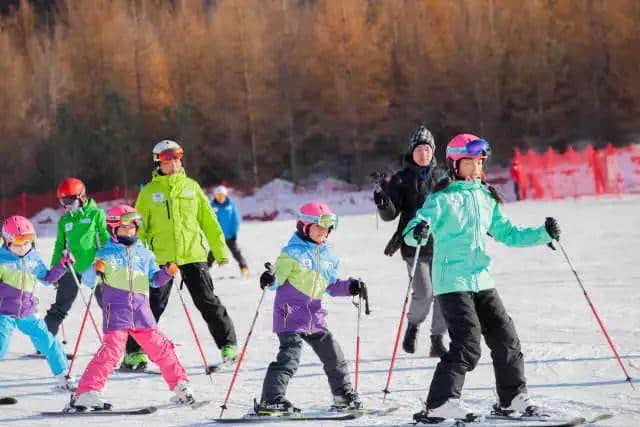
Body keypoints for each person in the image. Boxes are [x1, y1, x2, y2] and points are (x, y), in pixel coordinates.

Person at [402, 134, 561, 422]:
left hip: (482, 280)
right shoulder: (442, 199)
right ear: (454, 164)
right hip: (452, 283)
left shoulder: (486, 197)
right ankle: (440, 404)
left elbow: (508, 233)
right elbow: (414, 228)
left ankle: (511, 398)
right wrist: (417, 232)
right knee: (467, 344)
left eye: (480, 162)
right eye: (470, 162)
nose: (477, 167)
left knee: (506, 339)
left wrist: (543, 233)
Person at [123, 139, 236, 371]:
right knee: (152, 305)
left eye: (177, 157)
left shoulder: (192, 188)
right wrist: (137, 257)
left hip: (193, 254)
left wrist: (220, 250)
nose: (173, 162)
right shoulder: (149, 193)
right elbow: (140, 228)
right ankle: (134, 352)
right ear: (158, 162)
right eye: (167, 158)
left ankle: (228, 347)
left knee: (208, 302)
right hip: (161, 258)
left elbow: (209, 221)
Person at [70, 205, 194, 410]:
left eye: (132, 228)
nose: (129, 232)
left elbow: (154, 280)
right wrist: (96, 269)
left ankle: (181, 386)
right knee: (112, 351)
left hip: (141, 311)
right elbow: (88, 281)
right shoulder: (105, 253)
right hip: (117, 310)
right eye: (123, 228)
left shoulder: (145, 254)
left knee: (161, 347)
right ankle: (87, 393)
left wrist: (167, 272)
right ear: (113, 229)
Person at [256, 202, 367, 414]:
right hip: (289, 314)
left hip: (314, 316)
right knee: (290, 357)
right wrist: (270, 278)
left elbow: (332, 286)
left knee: (333, 355)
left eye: (327, 229)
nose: (323, 233)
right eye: (318, 227)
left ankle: (342, 395)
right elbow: (277, 280)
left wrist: (350, 286)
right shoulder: (291, 254)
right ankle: (271, 399)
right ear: (304, 226)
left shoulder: (328, 258)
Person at [373, 125, 448, 357]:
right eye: (418, 150)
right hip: (413, 246)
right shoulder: (401, 179)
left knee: (444, 294)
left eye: (427, 149)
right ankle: (413, 326)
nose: (423, 154)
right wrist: (384, 202)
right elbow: (390, 215)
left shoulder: (443, 177)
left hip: (442, 244)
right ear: (411, 152)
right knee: (425, 293)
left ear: (433, 151)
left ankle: (437, 339)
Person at [0, 215, 75, 390]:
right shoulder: (2, 261)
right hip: (4, 313)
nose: (23, 247)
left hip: (28, 312)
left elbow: (47, 279)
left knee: (48, 342)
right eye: (18, 243)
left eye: (28, 242)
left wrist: (62, 265)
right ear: (7, 241)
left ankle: (63, 376)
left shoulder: (33, 258)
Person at [44, 177, 109, 338]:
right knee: (61, 305)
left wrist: (106, 261)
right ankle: (45, 342)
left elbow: (106, 239)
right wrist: (55, 271)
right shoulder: (64, 220)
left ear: (81, 196)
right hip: (70, 267)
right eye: (63, 201)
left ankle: (115, 341)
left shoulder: (96, 214)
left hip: (94, 265)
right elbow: (59, 246)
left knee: (108, 304)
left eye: (70, 200)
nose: (66, 205)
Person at [210, 185, 249, 278]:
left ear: (225, 196)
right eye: (218, 196)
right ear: (215, 196)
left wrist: (234, 233)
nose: (220, 199)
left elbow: (235, 220)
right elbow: (210, 222)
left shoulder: (231, 205)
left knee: (236, 253)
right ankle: (204, 271)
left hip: (230, 236)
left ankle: (244, 269)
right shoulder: (212, 206)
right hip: (218, 236)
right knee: (212, 255)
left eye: (222, 196)